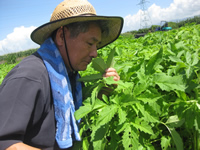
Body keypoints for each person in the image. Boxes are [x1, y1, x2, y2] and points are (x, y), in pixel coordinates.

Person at [0, 0, 123, 149]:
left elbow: (77, 113)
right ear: (61, 36)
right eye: (90, 43)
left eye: (97, 45)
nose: (95, 53)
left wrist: (104, 92)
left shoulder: (70, 76)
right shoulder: (30, 77)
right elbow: (5, 143)